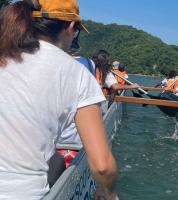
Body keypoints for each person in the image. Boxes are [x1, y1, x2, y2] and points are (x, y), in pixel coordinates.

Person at [0, 0, 118, 199]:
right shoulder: (77, 74)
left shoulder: (5, 54)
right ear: (71, 27)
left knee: (55, 161)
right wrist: (110, 194)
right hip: (22, 193)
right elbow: (102, 166)